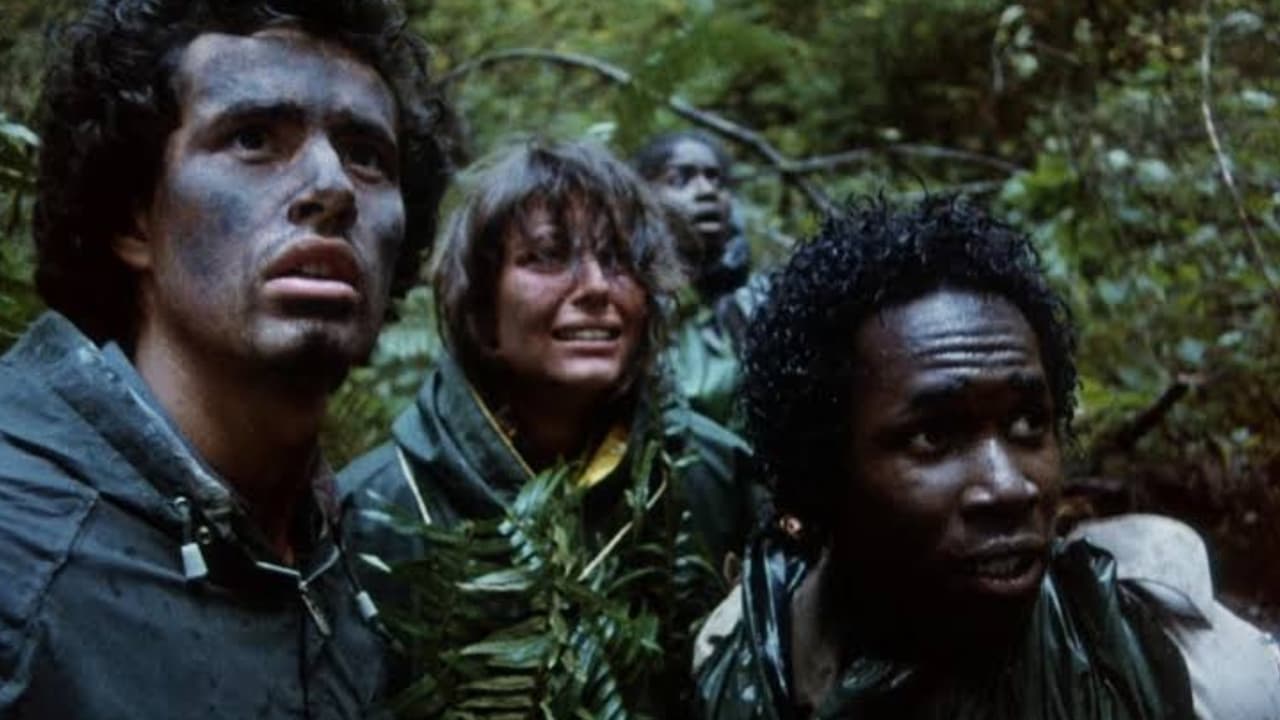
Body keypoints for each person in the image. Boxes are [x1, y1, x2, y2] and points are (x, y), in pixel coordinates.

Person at [0, 1, 453, 717]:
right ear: (133, 217)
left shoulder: (363, 562)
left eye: (367, 155)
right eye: (253, 139)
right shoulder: (18, 544)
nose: (333, 187)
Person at [693, 198, 1280, 719]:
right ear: (821, 469)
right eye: (933, 436)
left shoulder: (1192, 672)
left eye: (1028, 424)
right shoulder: (743, 658)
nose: (1009, 487)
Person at [340, 138, 752, 710]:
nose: (596, 287)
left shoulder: (719, 476)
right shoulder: (375, 511)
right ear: (481, 308)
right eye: (549, 257)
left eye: (619, 260)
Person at [634, 130, 766, 424]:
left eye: (715, 179)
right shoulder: (627, 303)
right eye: (679, 179)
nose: (706, 190)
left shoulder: (758, 301)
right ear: (644, 197)